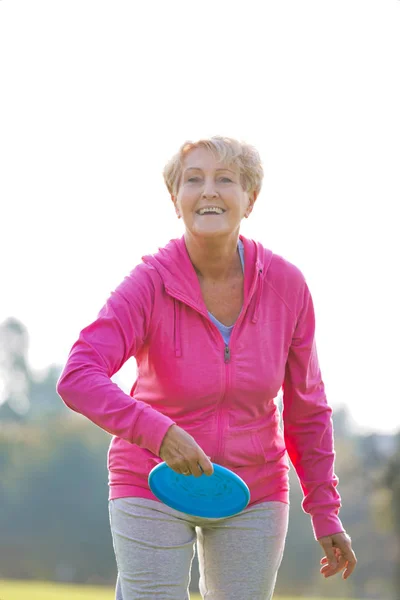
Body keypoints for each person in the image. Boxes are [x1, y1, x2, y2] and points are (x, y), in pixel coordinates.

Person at [57, 136, 357, 599]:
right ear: (176, 201)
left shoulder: (287, 286)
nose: (208, 191)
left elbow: (306, 409)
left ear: (250, 198)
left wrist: (325, 510)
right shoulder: (149, 284)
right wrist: (158, 433)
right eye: (192, 180)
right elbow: (78, 375)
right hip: (150, 482)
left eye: (225, 179)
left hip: (252, 493)